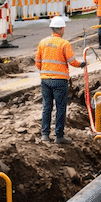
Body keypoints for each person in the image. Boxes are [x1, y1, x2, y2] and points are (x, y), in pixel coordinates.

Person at [35, 16, 86, 144]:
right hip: (60, 81)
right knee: (60, 108)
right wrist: (82, 64)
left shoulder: (42, 42)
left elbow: (37, 63)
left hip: (45, 80)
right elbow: (72, 61)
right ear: (62, 29)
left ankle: (45, 135)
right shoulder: (64, 44)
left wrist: (46, 71)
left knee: (47, 107)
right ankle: (59, 136)